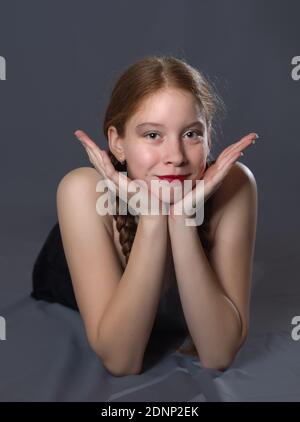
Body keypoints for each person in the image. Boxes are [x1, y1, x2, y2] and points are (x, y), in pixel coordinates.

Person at [31, 55, 258, 376]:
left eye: (192, 134)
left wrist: (180, 219)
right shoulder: (81, 191)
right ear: (117, 143)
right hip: (72, 266)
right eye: (153, 135)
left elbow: (218, 354)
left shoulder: (233, 183)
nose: (176, 157)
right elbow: (121, 362)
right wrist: (152, 219)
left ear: (208, 138)